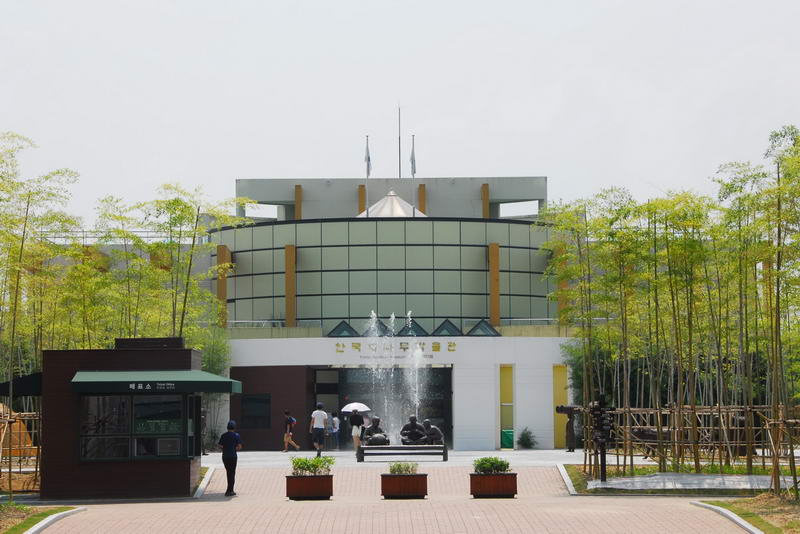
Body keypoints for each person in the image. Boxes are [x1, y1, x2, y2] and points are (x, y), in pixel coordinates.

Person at [218, 420, 242, 497]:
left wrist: (225, 448)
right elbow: (239, 447)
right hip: (233, 456)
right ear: (234, 427)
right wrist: (234, 449)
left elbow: (220, 445)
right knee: (232, 473)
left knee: (228, 472)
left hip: (225, 456)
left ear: (227, 427)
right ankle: (230, 490)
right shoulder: (236, 435)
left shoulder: (223, 435)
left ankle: (229, 490)